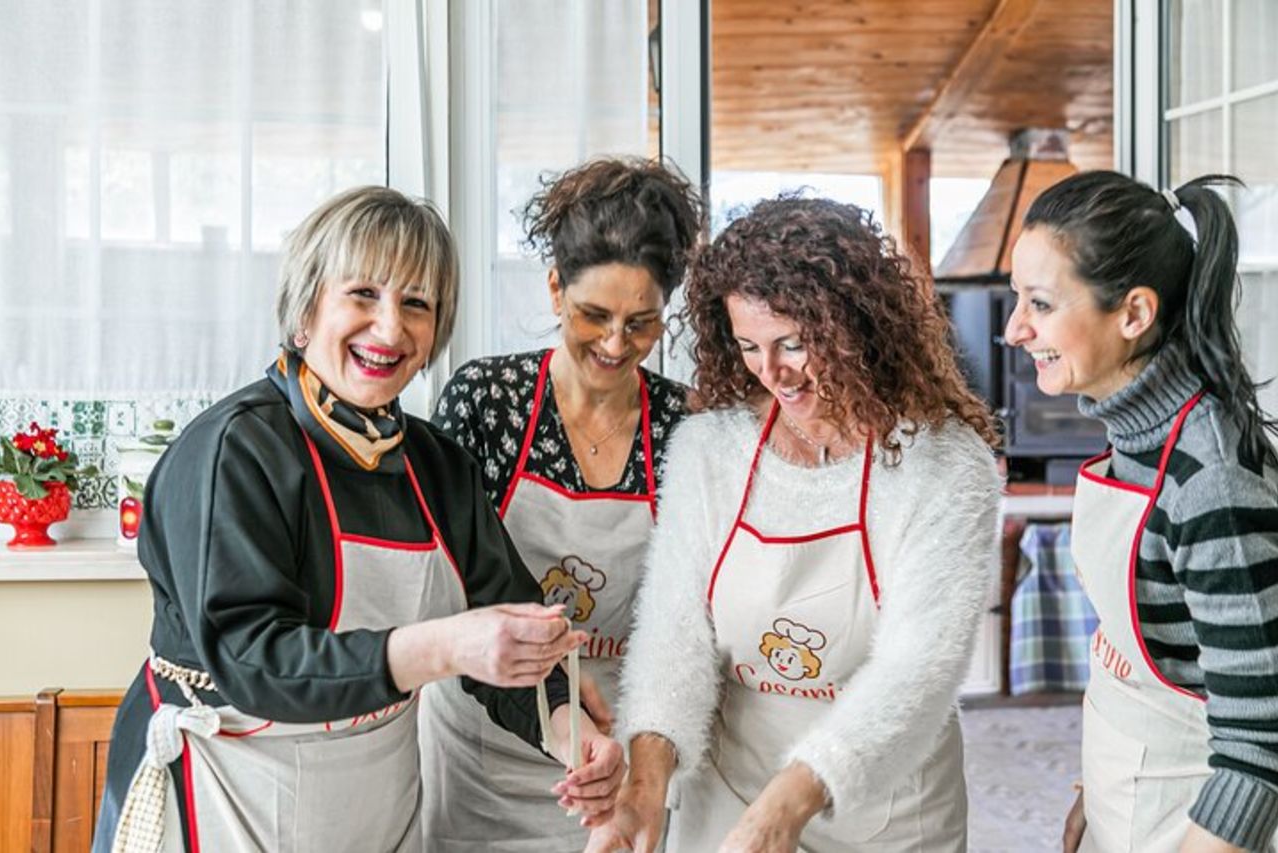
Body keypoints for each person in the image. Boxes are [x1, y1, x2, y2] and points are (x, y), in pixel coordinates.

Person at [92, 186, 624, 853]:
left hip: (374, 803)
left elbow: (512, 623)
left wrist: (572, 728)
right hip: (228, 791)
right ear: (306, 309)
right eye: (363, 295)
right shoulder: (235, 451)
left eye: (417, 303)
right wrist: (444, 646)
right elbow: (253, 659)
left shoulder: (438, 468)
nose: (391, 329)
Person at [587, 197, 1003, 852]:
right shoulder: (710, 448)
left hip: (885, 814)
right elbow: (674, 633)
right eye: (748, 346)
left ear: (854, 325)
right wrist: (645, 787)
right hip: (730, 795)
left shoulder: (943, 463)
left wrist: (789, 801)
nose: (771, 372)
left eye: (793, 344)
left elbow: (919, 667)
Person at [421, 156, 703, 851]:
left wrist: (630, 767)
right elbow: (454, 595)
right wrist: (559, 721)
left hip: (617, 763)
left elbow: (688, 622)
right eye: (593, 315)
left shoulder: (683, 426)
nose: (615, 344)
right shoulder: (488, 403)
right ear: (555, 288)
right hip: (483, 760)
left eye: (641, 322)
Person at [1003, 171, 1278, 853]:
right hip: (1128, 800)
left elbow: (1261, 744)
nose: (1014, 329)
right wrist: (1097, 786)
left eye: (1040, 303)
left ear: (1133, 314)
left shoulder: (1211, 480)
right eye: (1016, 298)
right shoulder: (1133, 438)